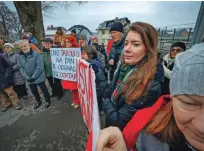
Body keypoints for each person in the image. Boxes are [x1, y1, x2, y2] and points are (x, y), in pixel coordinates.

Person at [97, 42, 204, 151]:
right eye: (189, 103)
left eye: (135, 44)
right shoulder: (122, 70)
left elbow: (117, 117)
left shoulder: (149, 86)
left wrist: (106, 101)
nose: (201, 127)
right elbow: (109, 92)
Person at [103, 22, 164, 130]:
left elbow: (117, 121)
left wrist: (105, 101)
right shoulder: (124, 66)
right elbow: (110, 90)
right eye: (126, 43)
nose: (126, 49)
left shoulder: (150, 84)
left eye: (135, 44)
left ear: (149, 48)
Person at [18, 40, 51, 109]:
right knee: (34, 91)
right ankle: (38, 101)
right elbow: (20, 67)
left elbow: (40, 66)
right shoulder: (20, 56)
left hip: (38, 76)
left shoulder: (36, 54)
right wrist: (26, 76)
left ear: (29, 46)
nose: (23, 48)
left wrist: (34, 76)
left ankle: (47, 100)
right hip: (29, 78)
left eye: (25, 46)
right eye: (22, 47)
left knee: (44, 89)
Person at [81, 45, 107, 112]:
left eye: (84, 54)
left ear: (90, 55)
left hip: (98, 86)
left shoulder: (94, 65)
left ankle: (99, 110)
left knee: (97, 99)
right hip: (97, 86)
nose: (82, 56)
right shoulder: (91, 62)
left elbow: (100, 79)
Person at [61, 36, 80, 109]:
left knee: (76, 89)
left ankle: (78, 102)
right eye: (66, 42)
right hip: (69, 73)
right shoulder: (64, 50)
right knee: (72, 89)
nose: (66, 44)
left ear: (72, 42)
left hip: (75, 73)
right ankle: (75, 101)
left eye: (68, 42)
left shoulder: (76, 51)